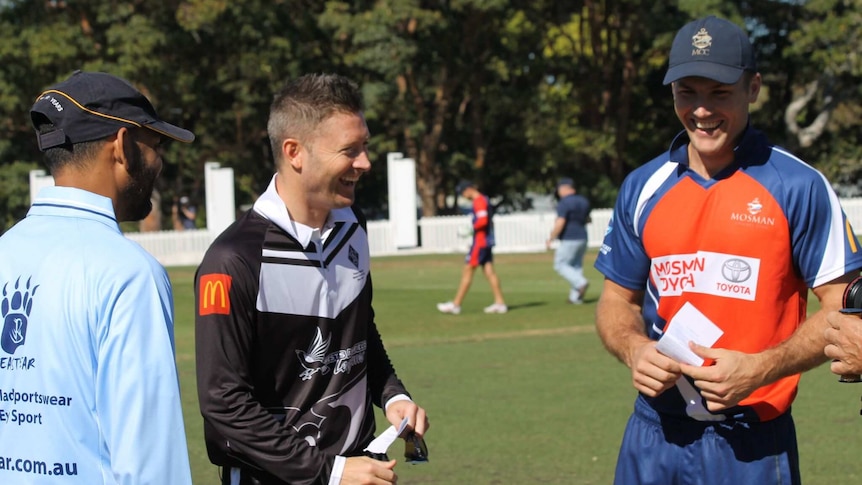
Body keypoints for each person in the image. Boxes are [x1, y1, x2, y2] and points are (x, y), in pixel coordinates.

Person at [593, 16, 862, 485]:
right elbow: (617, 301)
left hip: (752, 443)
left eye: (719, 93)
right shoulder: (642, 186)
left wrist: (762, 367)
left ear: (752, 87)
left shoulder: (799, 186)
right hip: (652, 434)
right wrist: (635, 348)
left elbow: (843, 311)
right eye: (687, 92)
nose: (701, 110)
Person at [195, 73, 429, 485]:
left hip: (360, 469)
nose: (365, 163)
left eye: (365, 147)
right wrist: (331, 472)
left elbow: (358, 333)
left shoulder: (353, 226)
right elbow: (224, 404)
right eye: (349, 150)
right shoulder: (233, 260)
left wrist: (393, 395)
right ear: (294, 153)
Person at [0, 71, 195, 483]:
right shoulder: (129, 275)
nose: (159, 162)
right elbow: (149, 463)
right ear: (123, 146)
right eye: (156, 145)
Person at [436, 180, 508, 314]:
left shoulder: (479, 201)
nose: (463, 196)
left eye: (463, 192)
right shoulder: (484, 199)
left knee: (468, 270)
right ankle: (500, 303)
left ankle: (456, 304)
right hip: (487, 241)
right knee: (489, 272)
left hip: (480, 242)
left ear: (468, 190)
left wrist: (470, 229)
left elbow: (483, 220)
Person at [545, 177, 591, 304]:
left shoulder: (564, 203)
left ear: (564, 188)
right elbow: (588, 219)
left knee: (560, 264)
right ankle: (575, 298)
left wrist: (551, 237)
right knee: (576, 266)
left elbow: (561, 222)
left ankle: (580, 283)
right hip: (583, 236)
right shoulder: (584, 201)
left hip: (569, 237)